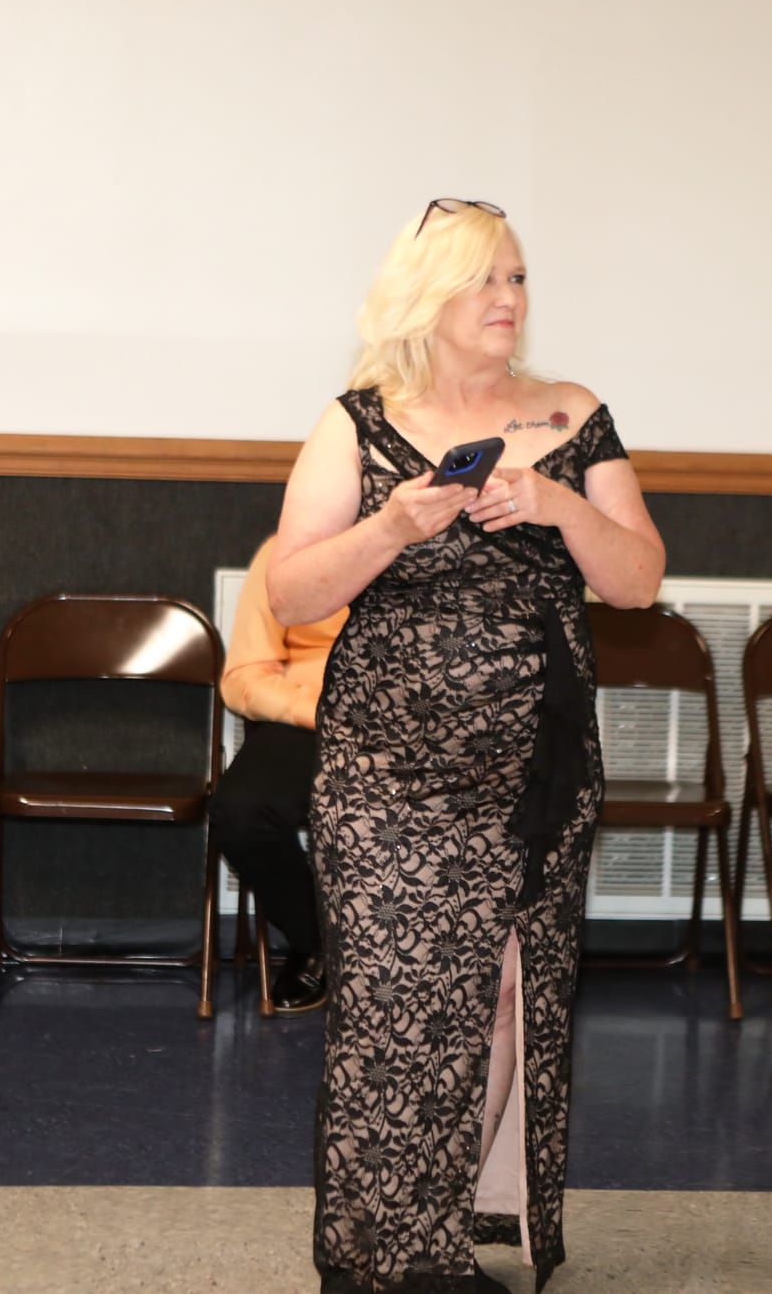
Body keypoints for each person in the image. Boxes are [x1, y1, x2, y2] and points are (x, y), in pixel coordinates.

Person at [268, 199, 665, 1293]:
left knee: (500, 1000)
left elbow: (637, 580)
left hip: (533, 775)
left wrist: (555, 505)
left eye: (519, 277)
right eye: (485, 278)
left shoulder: (573, 414)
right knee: (390, 1006)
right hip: (383, 774)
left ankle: (439, 1241)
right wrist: (393, 525)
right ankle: (377, 1254)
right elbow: (289, 593)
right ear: (427, 294)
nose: (508, 298)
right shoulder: (356, 424)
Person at [213, 534, 347, 1013]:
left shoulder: (449, 546)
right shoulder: (286, 551)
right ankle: (319, 941)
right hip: (311, 713)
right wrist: (319, 712)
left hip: (420, 718)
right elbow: (243, 675)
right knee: (241, 814)